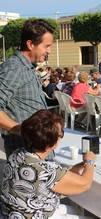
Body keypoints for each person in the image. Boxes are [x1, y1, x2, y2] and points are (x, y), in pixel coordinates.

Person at [0, 109, 96, 218]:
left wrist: (80, 166)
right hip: (38, 215)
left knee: (73, 209)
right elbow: (85, 184)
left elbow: (55, 180)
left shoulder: (17, 155)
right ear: (52, 143)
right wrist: (90, 162)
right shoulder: (46, 170)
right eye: (61, 134)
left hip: (13, 213)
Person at [0, 19, 54, 157]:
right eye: (46, 46)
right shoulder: (14, 68)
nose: (50, 51)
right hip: (24, 149)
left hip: (37, 149)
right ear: (30, 44)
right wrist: (21, 130)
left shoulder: (28, 67)